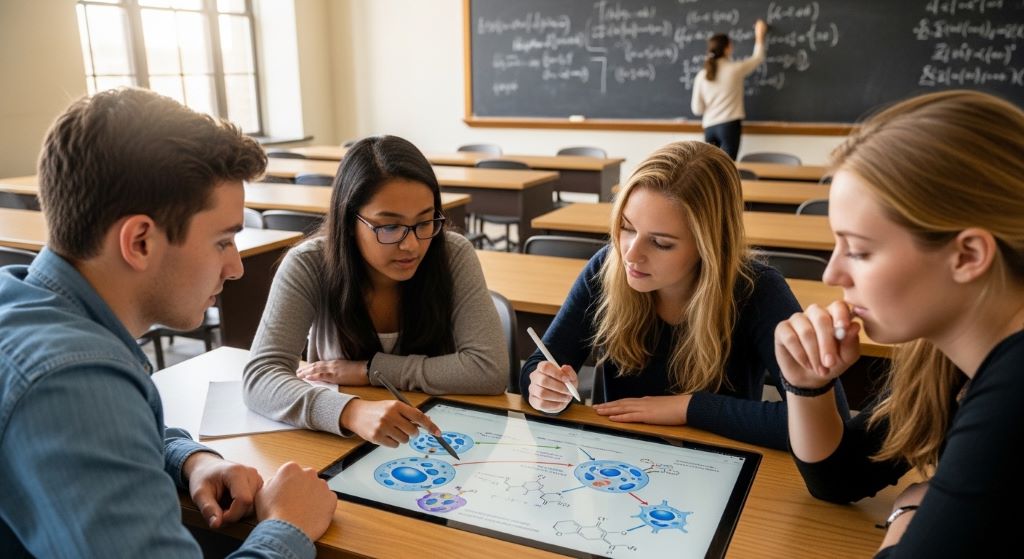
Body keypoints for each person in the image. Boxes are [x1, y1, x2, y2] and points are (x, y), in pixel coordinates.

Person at [0, 87, 337, 557]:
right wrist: (288, 525)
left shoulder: (18, 297)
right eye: (222, 242)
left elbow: (107, 437)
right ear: (139, 241)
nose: (237, 268)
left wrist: (189, 459)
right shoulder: (72, 380)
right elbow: (88, 417)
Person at [775, 90, 1024, 557]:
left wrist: (909, 516)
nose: (832, 275)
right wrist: (806, 385)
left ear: (968, 255)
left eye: (860, 250)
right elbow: (841, 476)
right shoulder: (946, 354)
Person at [520, 141, 848, 450]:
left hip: (718, 467)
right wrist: (542, 387)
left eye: (661, 243)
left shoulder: (757, 290)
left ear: (709, 246)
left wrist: (688, 407)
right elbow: (538, 365)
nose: (631, 254)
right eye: (627, 227)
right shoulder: (608, 266)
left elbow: (829, 424)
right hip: (617, 461)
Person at [243, 135, 507, 447]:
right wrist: (351, 411)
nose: (411, 245)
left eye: (424, 222)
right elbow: (261, 377)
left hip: (437, 436)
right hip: (340, 441)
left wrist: (370, 371)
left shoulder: (451, 254)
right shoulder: (309, 264)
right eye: (390, 227)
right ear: (349, 219)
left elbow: (489, 370)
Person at [690, 19, 768, 160]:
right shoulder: (735, 69)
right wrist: (760, 35)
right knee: (727, 170)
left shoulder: (702, 75)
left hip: (709, 128)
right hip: (729, 127)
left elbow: (697, 109)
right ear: (727, 48)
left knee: (710, 171)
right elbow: (758, 58)